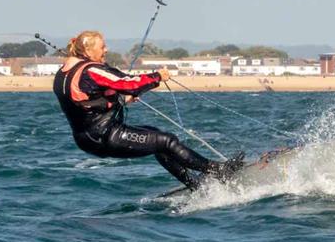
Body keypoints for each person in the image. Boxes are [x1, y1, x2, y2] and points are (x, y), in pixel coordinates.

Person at [53, 30, 242, 189]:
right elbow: (128, 83)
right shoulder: (91, 70)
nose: (106, 50)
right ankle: (219, 171)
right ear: (88, 49)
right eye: (102, 47)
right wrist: (157, 76)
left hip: (87, 139)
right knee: (167, 141)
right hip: (106, 135)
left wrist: (122, 100)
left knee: (157, 136)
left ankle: (194, 185)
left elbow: (88, 103)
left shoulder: (63, 73)